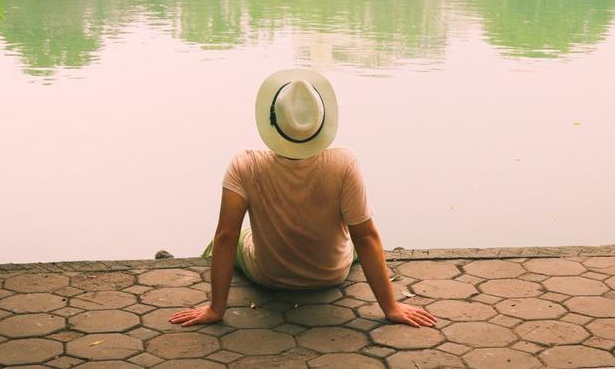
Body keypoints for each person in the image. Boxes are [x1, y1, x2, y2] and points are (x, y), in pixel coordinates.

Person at [169, 68, 437, 328]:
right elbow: (366, 237)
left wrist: (216, 309)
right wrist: (391, 307)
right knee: (356, 236)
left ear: (273, 121)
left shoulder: (245, 165)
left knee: (226, 241)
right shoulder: (344, 163)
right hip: (331, 273)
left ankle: (194, 261)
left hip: (268, 275)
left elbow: (226, 235)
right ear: (321, 123)